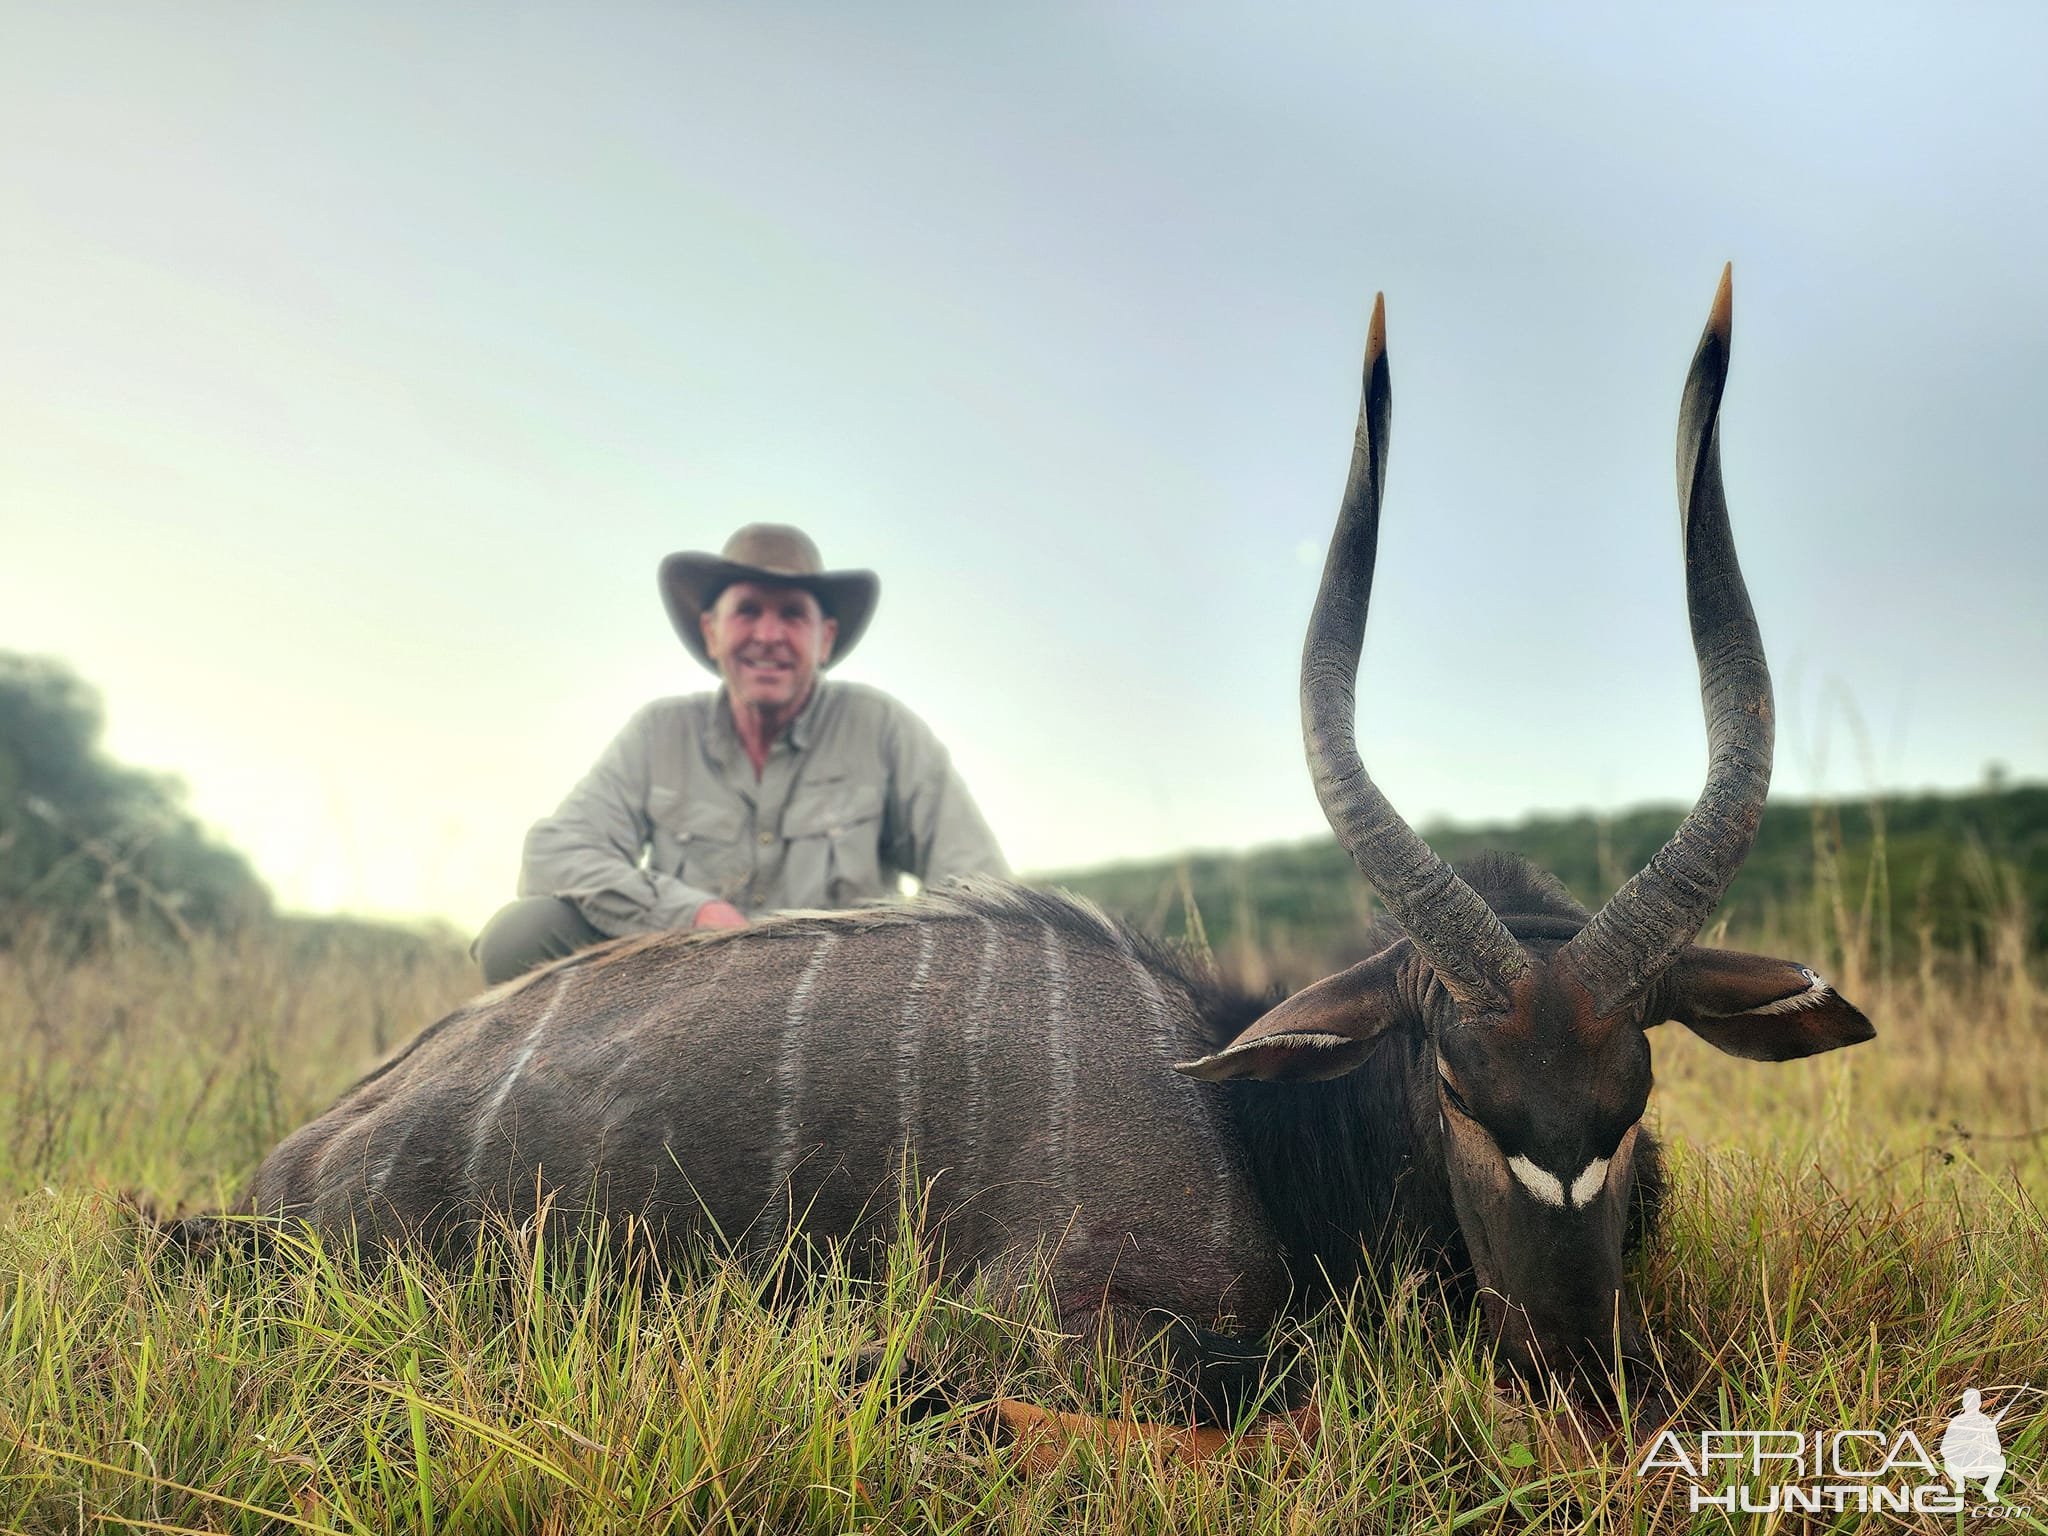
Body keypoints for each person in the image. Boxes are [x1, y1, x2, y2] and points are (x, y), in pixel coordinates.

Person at [474, 524, 1007, 983]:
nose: (768, 635)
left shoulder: (882, 727)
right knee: (522, 934)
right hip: (684, 995)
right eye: (747, 611)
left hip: (840, 1013)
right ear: (711, 632)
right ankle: (587, 1103)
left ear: (825, 639)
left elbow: (983, 888)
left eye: (793, 615)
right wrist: (696, 914)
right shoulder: (660, 732)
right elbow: (555, 852)